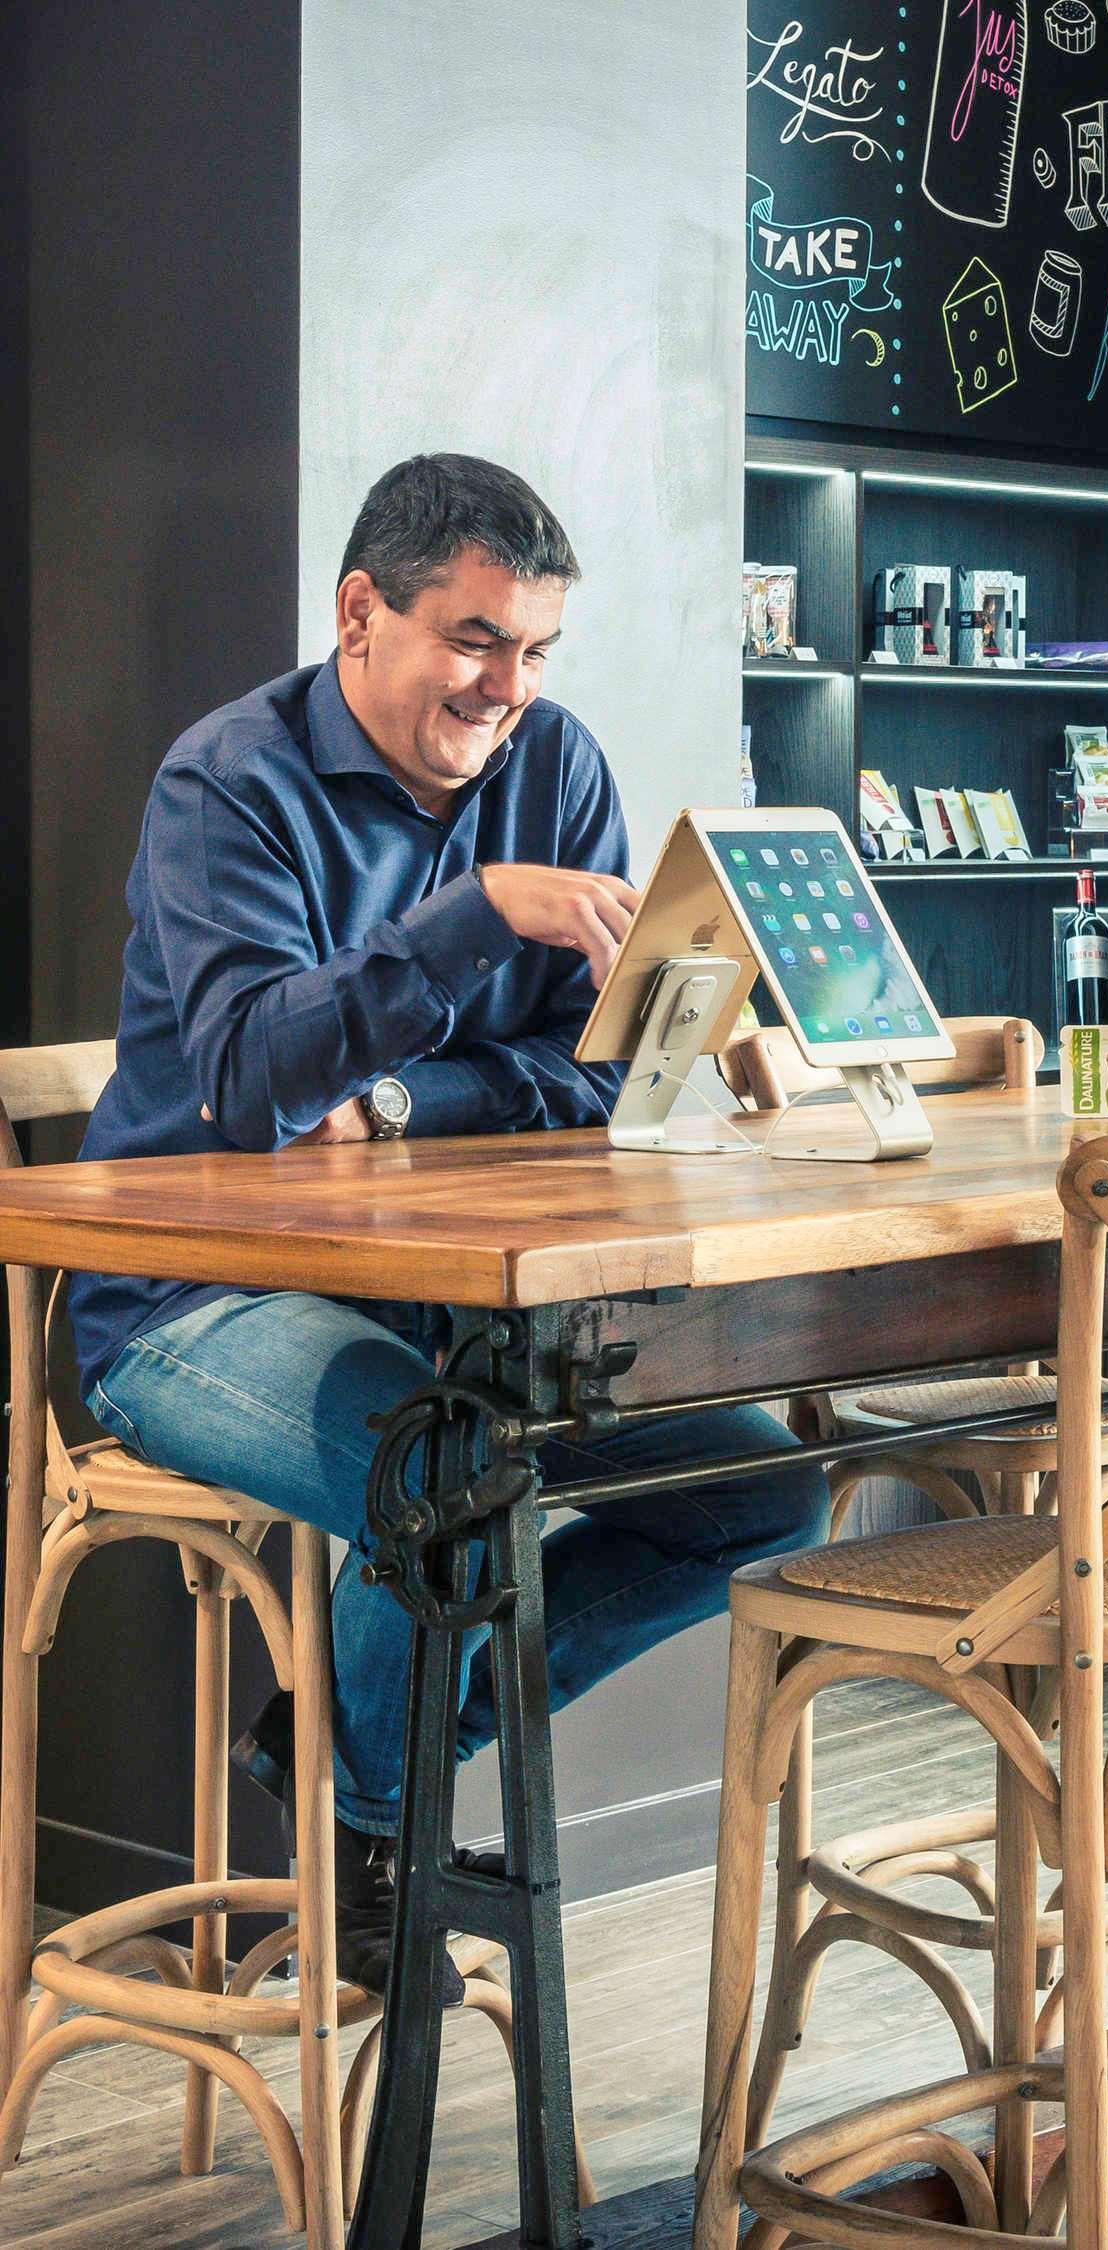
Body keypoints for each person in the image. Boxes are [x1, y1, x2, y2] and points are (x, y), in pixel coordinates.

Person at [71, 454, 830, 1999]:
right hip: (184, 1304)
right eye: (476, 640)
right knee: (448, 1476)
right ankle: (377, 1853)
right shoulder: (228, 782)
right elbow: (244, 1084)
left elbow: (601, 1068)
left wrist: (415, 1102)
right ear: (362, 613)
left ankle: (356, 1760)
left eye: (538, 649)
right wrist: (476, 912)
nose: (510, 688)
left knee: (763, 1488)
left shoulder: (561, 766)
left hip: (439, 1304)